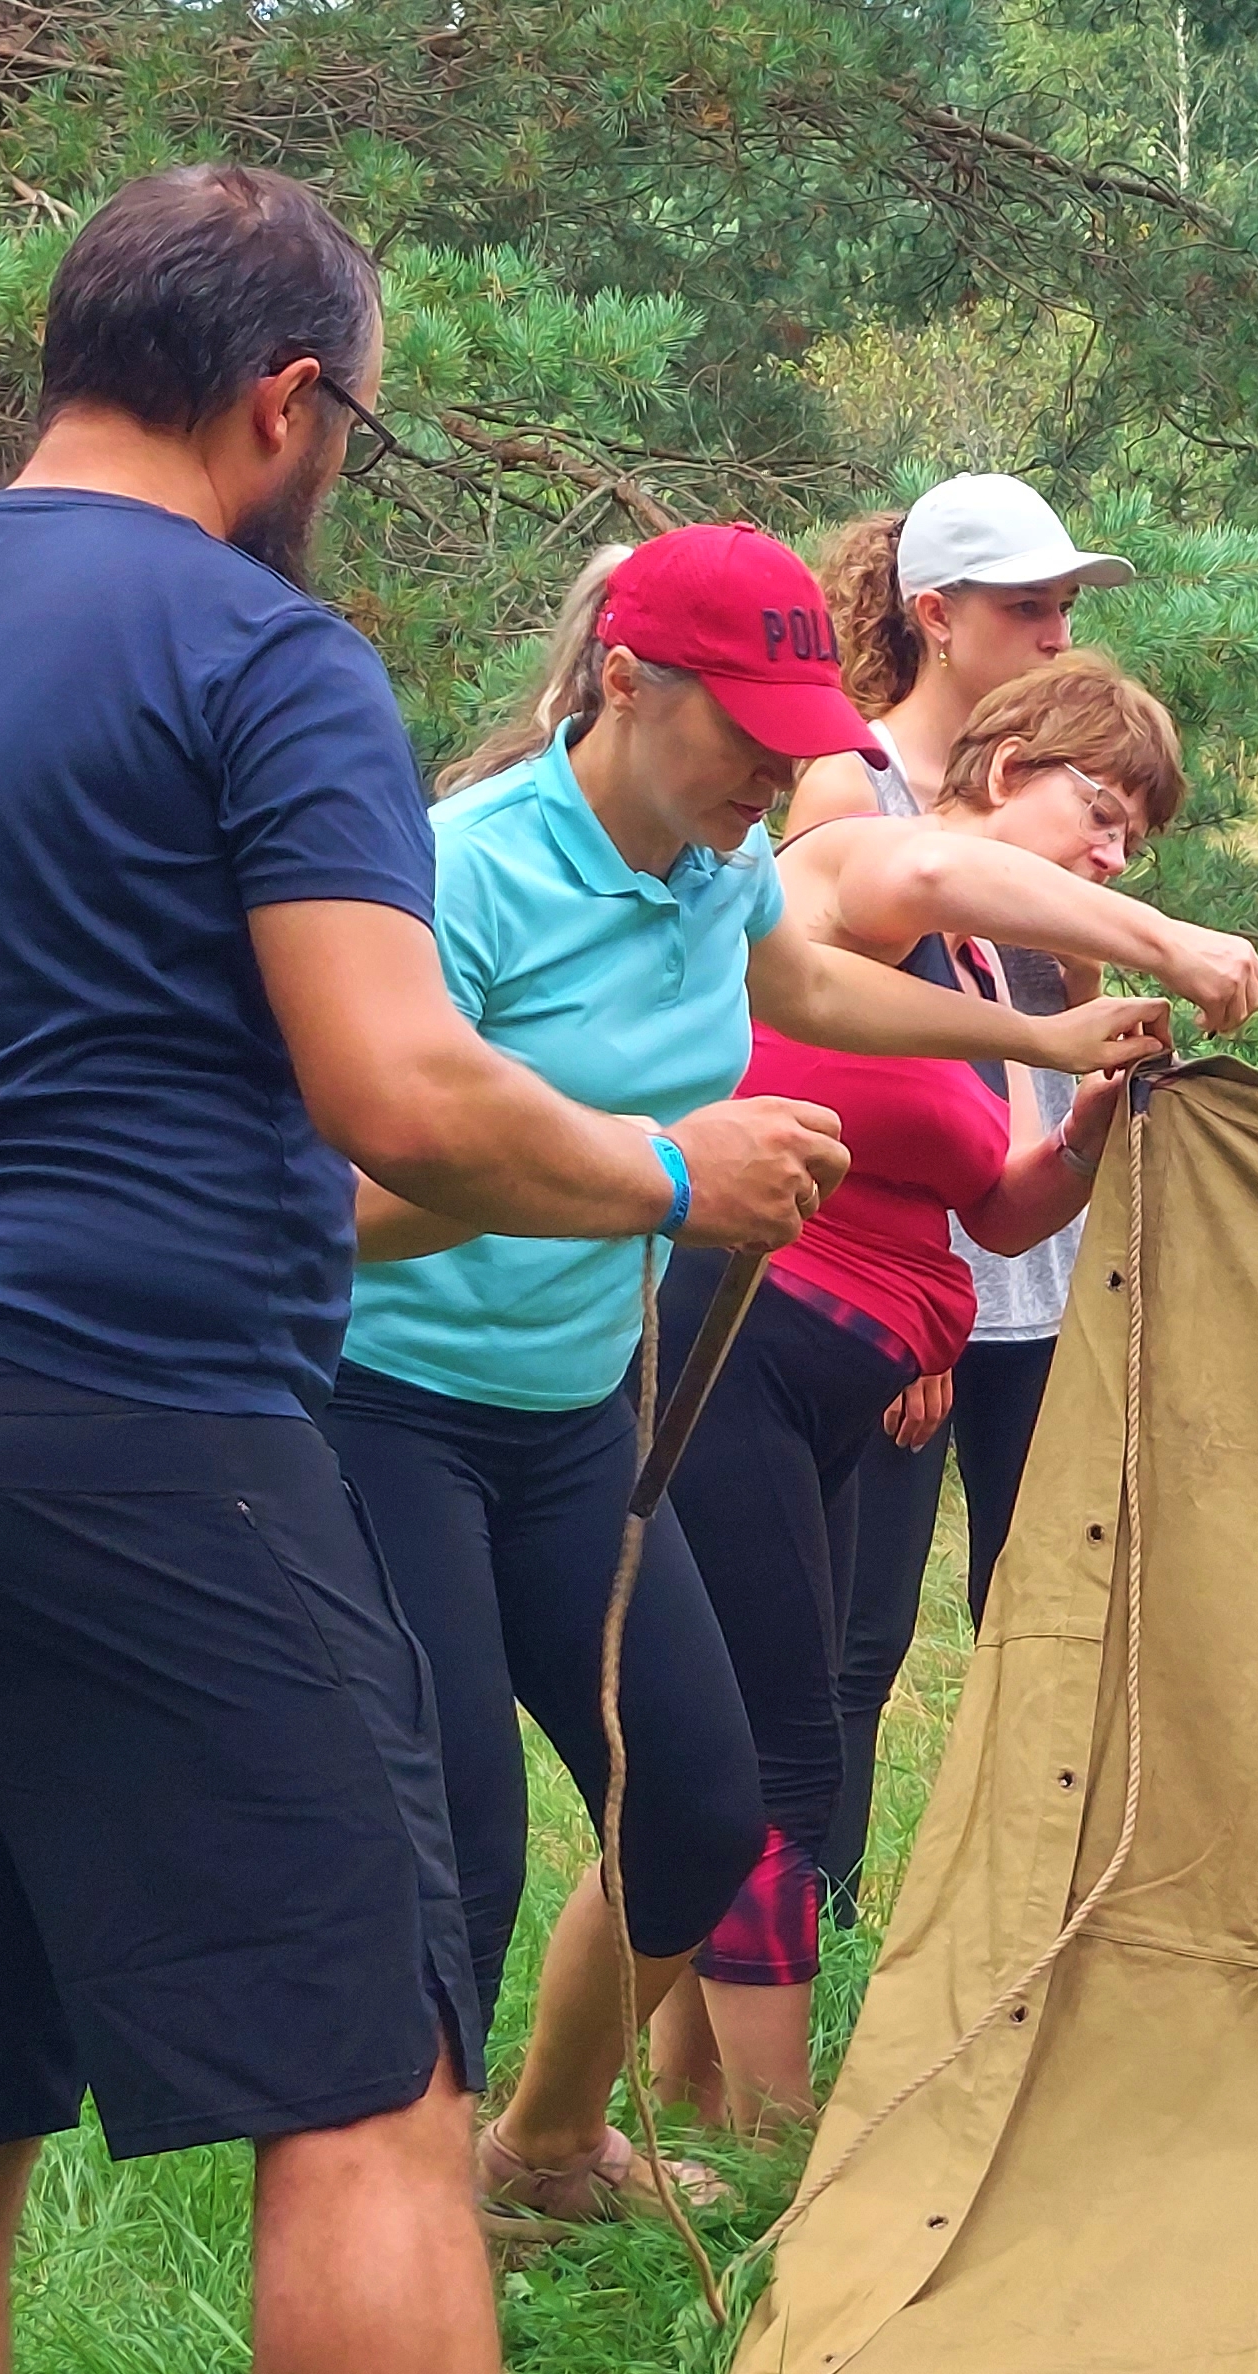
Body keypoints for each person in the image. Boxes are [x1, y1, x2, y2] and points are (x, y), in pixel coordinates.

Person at [0, 166, 846, 2374]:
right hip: (138, 1426)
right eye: (361, 424)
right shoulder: (258, 653)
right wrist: (664, 1168)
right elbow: (401, 1094)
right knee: (357, 2099)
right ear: (286, 400)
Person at [324, 528, 1180, 2237]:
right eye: (749, 730)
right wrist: (659, 1172)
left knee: (706, 1805)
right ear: (626, 684)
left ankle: (545, 2151)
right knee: (460, 1868)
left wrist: (1044, 1043)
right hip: (389, 1408)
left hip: (576, 1415)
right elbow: (332, 1207)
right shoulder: (459, 871)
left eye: (802, 732)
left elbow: (806, 984)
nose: (781, 770)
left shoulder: (716, 874)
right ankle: (419, 2296)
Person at [647, 651, 1190, 2133]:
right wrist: (1171, 943)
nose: (1113, 849)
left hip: (824, 1389)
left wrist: (1077, 1130)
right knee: (782, 1748)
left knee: (738, 1740)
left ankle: (673, 2108)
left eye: (1139, 836)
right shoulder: (877, 868)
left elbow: (1000, 1212)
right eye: (1101, 808)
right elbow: (938, 864)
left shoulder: (969, 975)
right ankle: (767, 2138)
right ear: (1006, 770)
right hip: (737, 1346)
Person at [787, 473, 1155, 1897]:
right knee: (854, 1644)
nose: (1059, 636)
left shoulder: (1066, 794)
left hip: (1035, 1276)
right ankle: (796, 1941)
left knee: (1042, 1615)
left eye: (1068, 608)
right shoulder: (847, 782)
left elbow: (1057, 1051)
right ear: (936, 617)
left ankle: (1010, 1923)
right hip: (907, 1287)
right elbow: (826, 1051)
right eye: (1026, 609)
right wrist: (908, 1296)